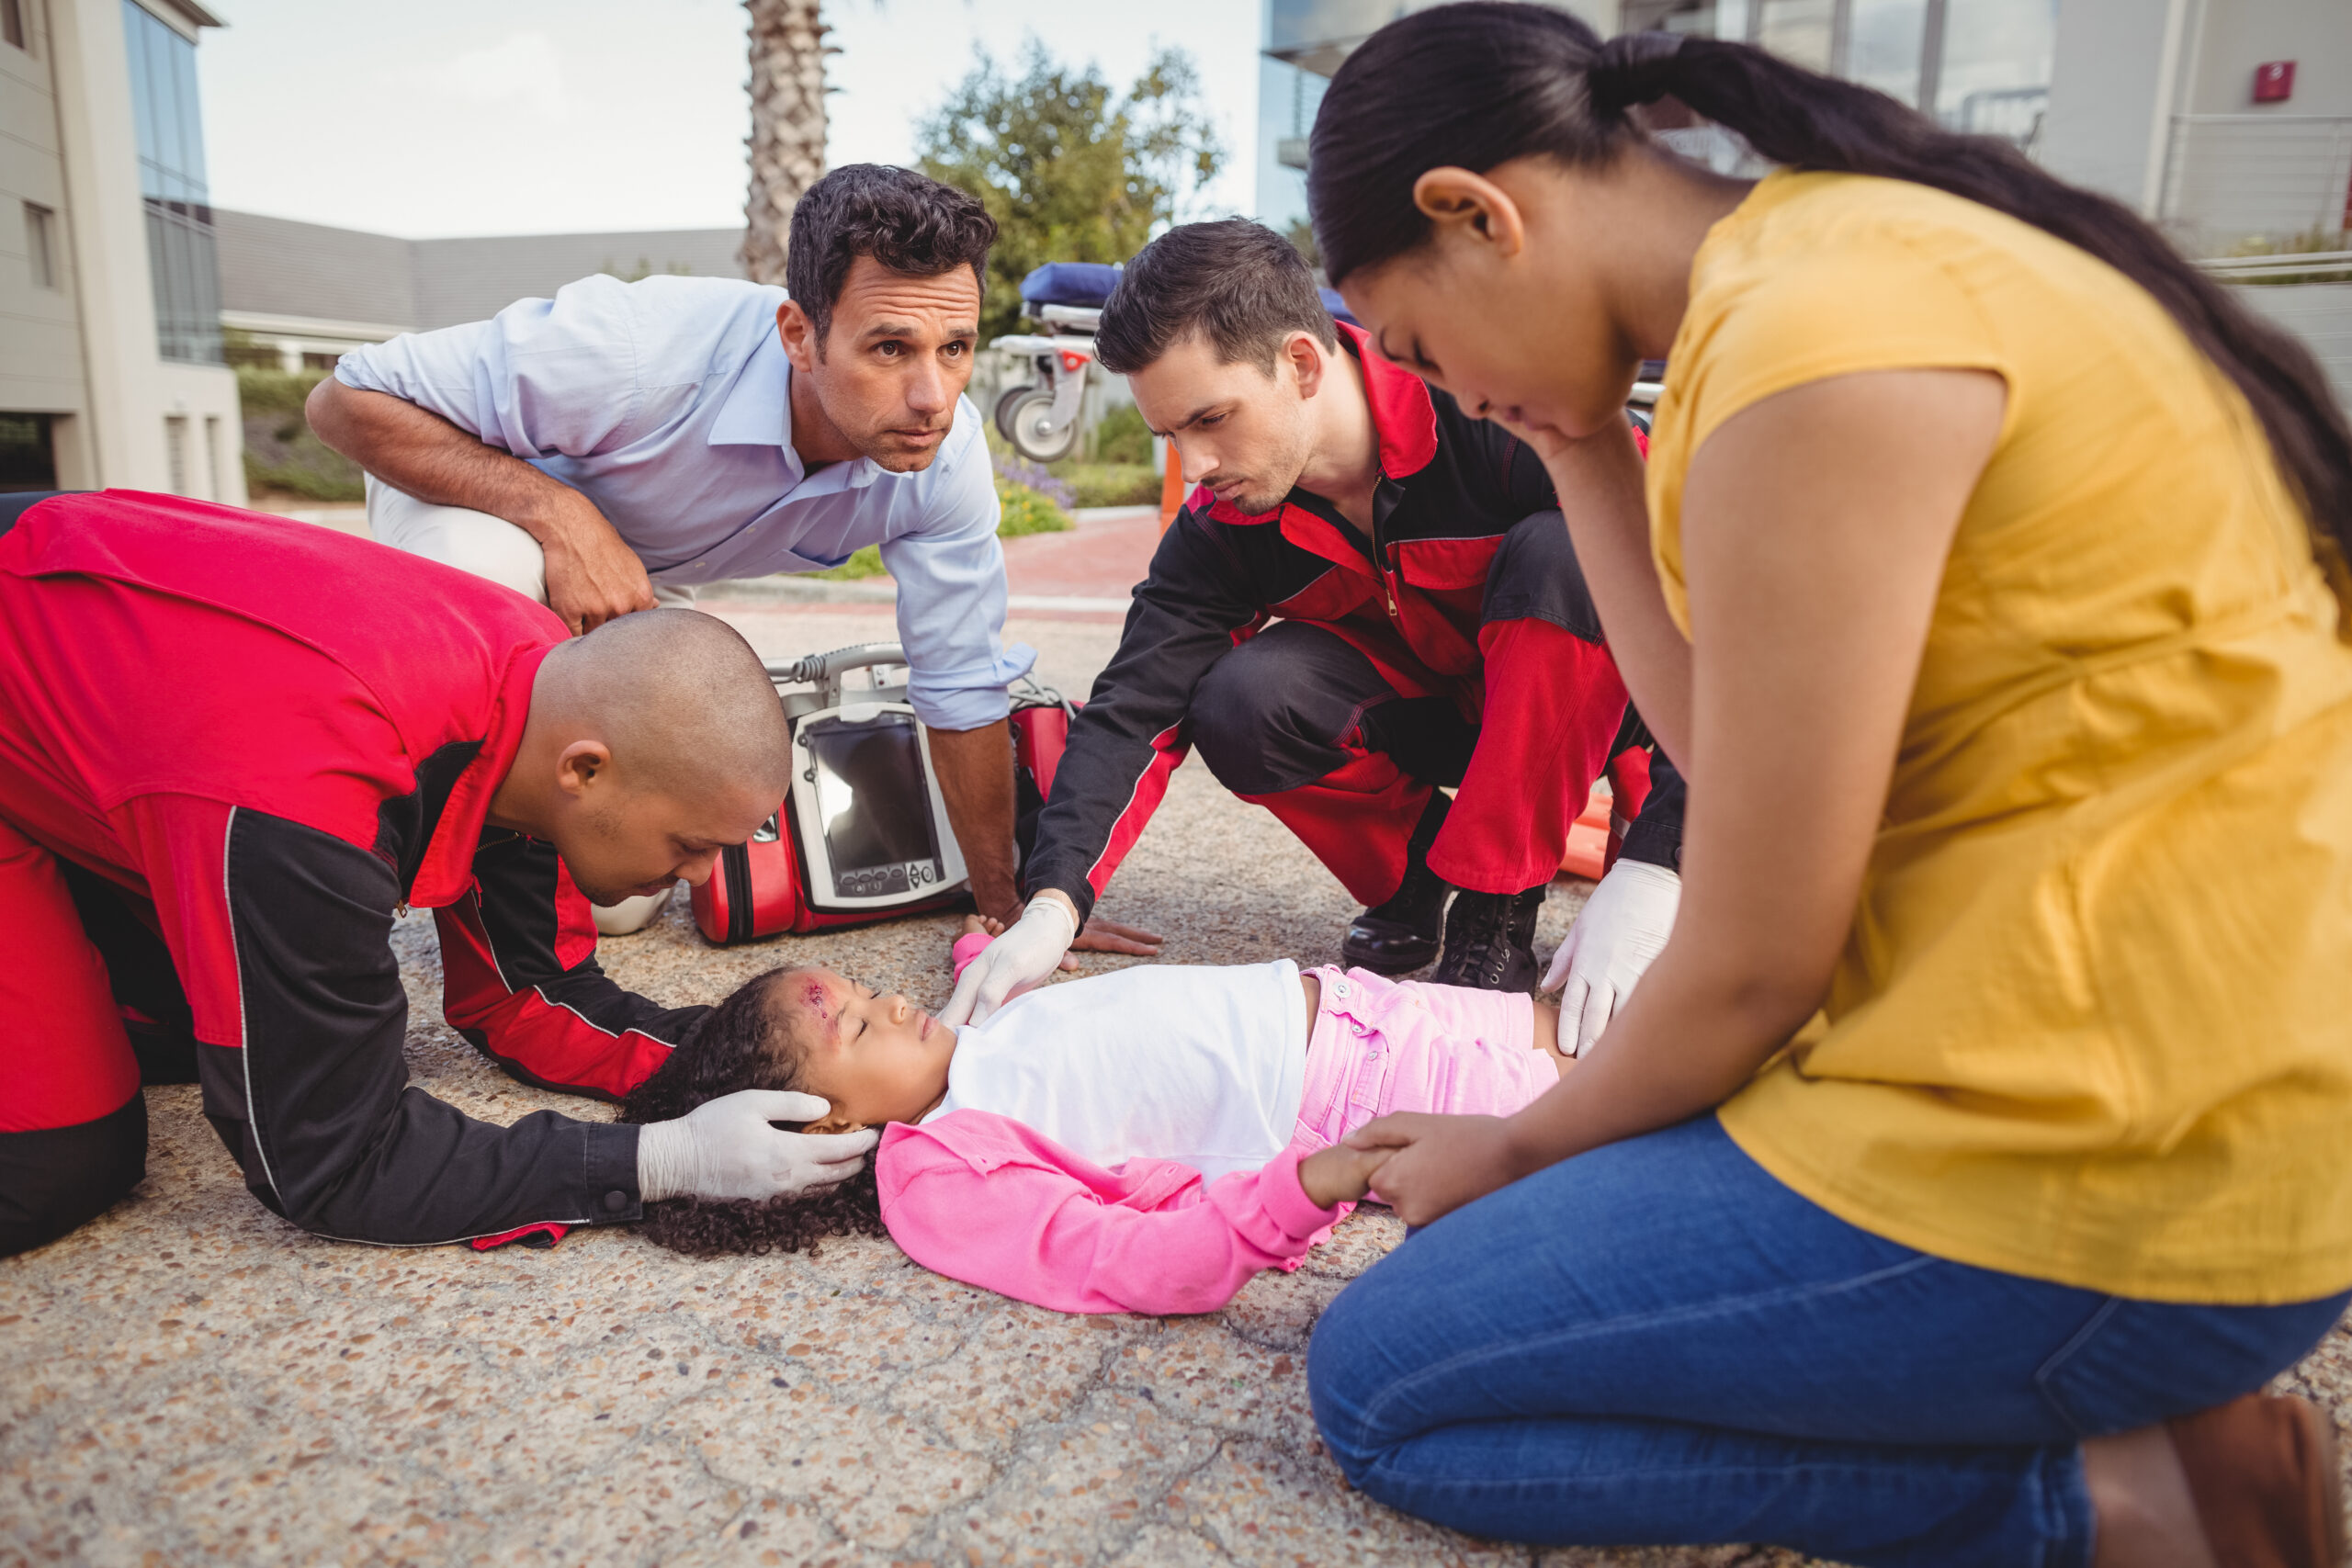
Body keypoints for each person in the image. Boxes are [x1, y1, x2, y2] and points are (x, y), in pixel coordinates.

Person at [1293, 8, 2352, 1566]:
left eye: (1419, 344)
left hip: (2114, 1167)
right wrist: (1580, 444)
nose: (1443, 393)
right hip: (2142, 1098)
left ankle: (2131, 1507)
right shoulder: (1818, 274)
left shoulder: (1818, 349)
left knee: (1384, 1384)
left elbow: (1755, 960)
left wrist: (1512, 1142)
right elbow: (1733, 746)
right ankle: (2166, 1424)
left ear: (1479, 214)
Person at [306, 164, 1155, 959]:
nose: (932, 396)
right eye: (890, 348)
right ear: (798, 334)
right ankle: (339, 885)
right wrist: (559, 516)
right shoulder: (636, 349)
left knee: (618, 893)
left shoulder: (945, 462)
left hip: (634, 576)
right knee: (490, 587)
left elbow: (960, 682)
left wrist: (1005, 906)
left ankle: (502, 863)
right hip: (481, 497)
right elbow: (343, 401)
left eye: (956, 348)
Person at [0, 491, 876, 1257]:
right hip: (77, 685)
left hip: (81, 696)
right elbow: (332, 1159)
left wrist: (790, 1072)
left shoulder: (549, 688)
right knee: (62, 1158)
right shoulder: (309, 809)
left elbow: (528, 997)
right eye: (690, 842)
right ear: (586, 771)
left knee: (201, 1028)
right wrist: (660, 1160)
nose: (697, 879)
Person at [945, 220, 1683, 1035]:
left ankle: (1492, 914)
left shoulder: (1498, 407)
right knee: (1242, 698)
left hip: (1615, 715)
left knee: (1567, 546)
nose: (1194, 467)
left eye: (1211, 419)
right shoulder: (1227, 518)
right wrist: (1052, 905)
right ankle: (1415, 884)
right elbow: (1135, 703)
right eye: (1170, 436)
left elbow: (1742, 617)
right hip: (1448, 717)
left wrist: (1662, 857)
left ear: (1300, 362)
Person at [616, 917, 1568, 1314]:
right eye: (861, 1026)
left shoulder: (951, 1047)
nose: (891, 1006)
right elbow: (1125, 1264)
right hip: (1375, 1095)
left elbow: (976, 983)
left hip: (1368, 1006)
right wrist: (1310, 1186)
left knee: (1637, 1033)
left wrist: (994, 935)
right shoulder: (937, 1166)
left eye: (867, 989)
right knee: (1658, 1095)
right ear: (817, 1124)